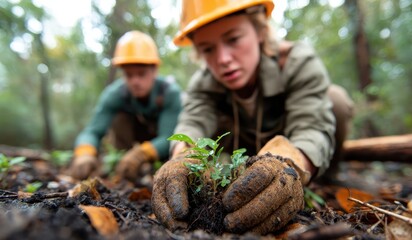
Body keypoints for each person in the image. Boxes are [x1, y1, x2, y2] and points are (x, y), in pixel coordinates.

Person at [152, 0, 354, 235]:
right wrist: (183, 158)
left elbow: (312, 125)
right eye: (208, 49)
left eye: (233, 39)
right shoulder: (203, 84)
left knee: (335, 100)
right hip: (239, 159)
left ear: (260, 30)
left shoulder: (296, 62)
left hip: (292, 147)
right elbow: (193, 122)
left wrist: (290, 167)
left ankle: (326, 179)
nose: (223, 58)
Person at [69, 31, 182, 181]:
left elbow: (169, 137)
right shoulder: (115, 94)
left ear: (154, 70)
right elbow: (93, 130)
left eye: (141, 74)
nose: (135, 81)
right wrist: (84, 153)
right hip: (131, 142)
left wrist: (141, 154)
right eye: (129, 75)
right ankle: (124, 168)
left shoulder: (169, 93)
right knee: (119, 118)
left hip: (160, 142)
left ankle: (154, 168)